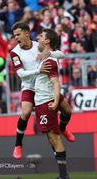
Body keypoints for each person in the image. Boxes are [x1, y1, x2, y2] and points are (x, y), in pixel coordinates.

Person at [10, 22, 75, 159]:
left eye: (18, 34)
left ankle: (63, 128)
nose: (16, 37)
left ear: (26, 33)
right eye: (14, 35)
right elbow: (21, 74)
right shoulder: (15, 52)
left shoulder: (38, 45)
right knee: (26, 112)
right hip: (29, 86)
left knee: (67, 111)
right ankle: (18, 144)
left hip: (44, 87)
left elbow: (62, 55)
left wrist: (49, 53)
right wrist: (38, 70)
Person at [35, 28, 69, 179]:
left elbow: (55, 82)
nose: (38, 37)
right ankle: (63, 127)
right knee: (53, 136)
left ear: (47, 41)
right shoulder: (47, 56)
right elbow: (61, 54)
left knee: (54, 138)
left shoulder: (49, 60)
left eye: (41, 36)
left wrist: (55, 101)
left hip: (45, 101)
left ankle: (63, 176)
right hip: (46, 98)